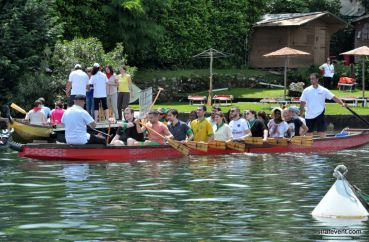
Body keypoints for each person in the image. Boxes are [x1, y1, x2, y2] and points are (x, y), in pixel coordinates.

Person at [300, 73, 345, 138]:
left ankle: (325, 144)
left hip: (320, 113)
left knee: (321, 131)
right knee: (309, 132)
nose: (311, 80)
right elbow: (302, 102)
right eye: (310, 79)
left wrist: (342, 103)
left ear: (317, 79)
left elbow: (334, 98)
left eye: (313, 79)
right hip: (309, 114)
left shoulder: (323, 90)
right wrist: (301, 114)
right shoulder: (306, 90)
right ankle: (308, 146)